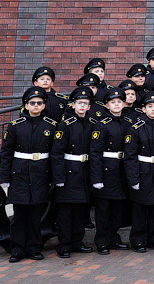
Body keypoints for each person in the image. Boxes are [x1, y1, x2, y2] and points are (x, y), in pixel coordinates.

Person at [0, 86, 57, 262]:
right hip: (20, 173)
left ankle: (34, 247)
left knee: (35, 214)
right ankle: (17, 249)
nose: (36, 106)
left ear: (44, 105)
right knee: (20, 214)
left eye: (40, 103)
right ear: (26, 105)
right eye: (32, 103)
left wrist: (54, 178)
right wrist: (5, 179)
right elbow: (6, 153)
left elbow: (55, 154)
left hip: (41, 173)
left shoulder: (51, 126)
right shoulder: (15, 126)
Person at [124, 91, 154, 252]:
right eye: (150, 106)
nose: (153, 109)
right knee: (140, 209)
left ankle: (153, 238)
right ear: (143, 109)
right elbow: (130, 156)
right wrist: (133, 179)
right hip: (142, 172)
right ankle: (138, 239)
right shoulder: (136, 128)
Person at [51, 85, 95, 258]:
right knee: (66, 212)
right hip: (68, 172)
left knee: (80, 210)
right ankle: (64, 244)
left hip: (84, 171)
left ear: (89, 107)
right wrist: (59, 177)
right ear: (72, 105)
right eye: (79, 103)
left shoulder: (91, 125)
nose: (82, 106)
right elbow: (57, 153)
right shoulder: (65, 125)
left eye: (85, 103)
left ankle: (77, 241)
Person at [90, 88, 132, 254]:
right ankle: (102, 241)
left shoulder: (127, 123)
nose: (116, 104)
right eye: (113, 102)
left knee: (117, 209)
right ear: (107, 105)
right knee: (103, 210)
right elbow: (95, 153)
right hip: (106, 170)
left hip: (121, 169)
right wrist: (97, 177)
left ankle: (114, 238)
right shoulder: (101, 125)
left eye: (119, 102)